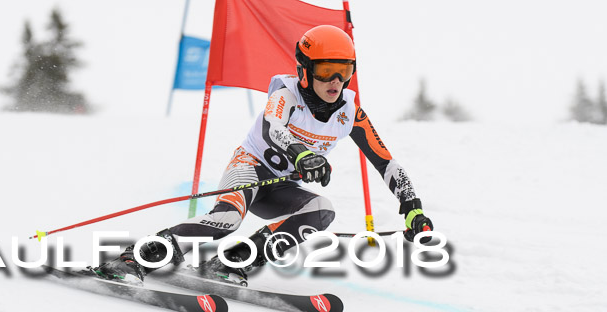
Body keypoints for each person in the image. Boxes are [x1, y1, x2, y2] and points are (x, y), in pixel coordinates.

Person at [93, 25, 433, 284]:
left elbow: (386, 162)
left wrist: (412, 207)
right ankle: (133, 259)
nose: (336, 80)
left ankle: (230, 262)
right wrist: (302, 156)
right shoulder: (286, 95)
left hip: (280, 187)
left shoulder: (349, 112)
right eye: (326, 70)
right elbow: (273, 129)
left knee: (321, 210)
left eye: (344, 70)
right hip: (250, 169)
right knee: (226, 220)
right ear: (305, 69)